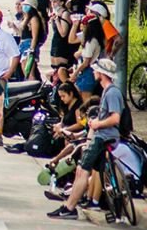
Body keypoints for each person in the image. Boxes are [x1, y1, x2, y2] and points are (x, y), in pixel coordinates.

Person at [47, 60, 122, 220]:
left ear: (102, 73)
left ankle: (70, 207)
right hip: (100, 136)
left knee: (82, 170)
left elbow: (115, 118)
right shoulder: (107, 91)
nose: (93, 73)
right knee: (83, 170)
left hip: (103, 137)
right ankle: (69, 203)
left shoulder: (112, 92)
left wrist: (96, 123)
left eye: (96, 70)